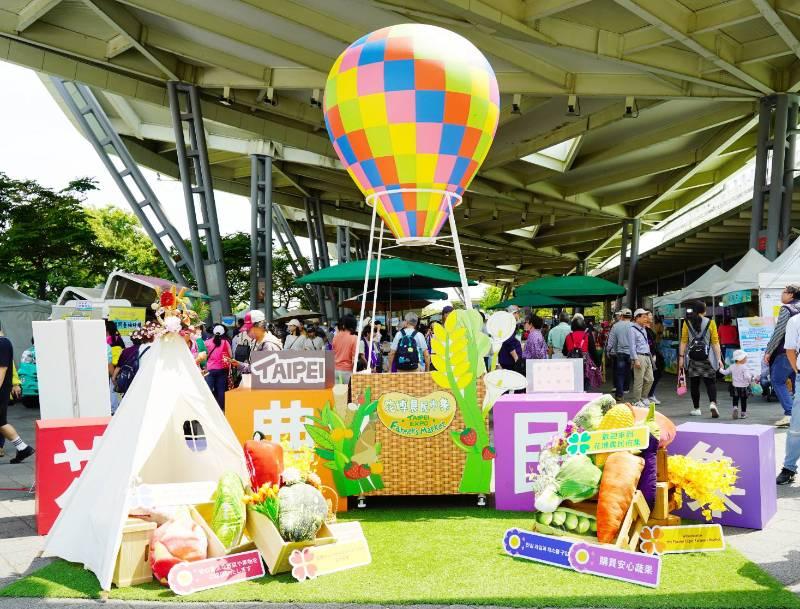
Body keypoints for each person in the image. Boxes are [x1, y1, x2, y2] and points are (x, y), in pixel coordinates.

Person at [679, 300, 723, 418]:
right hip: (708, 357)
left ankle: (696, 408)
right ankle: (713, 403)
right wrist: (719, 359)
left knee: (694, 383)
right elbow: (715, 342)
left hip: (693, 358)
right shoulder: (711, 322)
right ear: (704, 311)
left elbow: (683, 341)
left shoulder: (686, 323)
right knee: (710, 382)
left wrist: (681, 357)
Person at [764, 283, 800, 427]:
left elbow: (779, 332)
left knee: (777, 380)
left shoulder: (787, 309)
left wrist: (768, 351)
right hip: (798, 354)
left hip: (785, 352)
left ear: (791, 294)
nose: (781, 295)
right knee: (796, 383)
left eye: (784, 292)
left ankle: (790, 413)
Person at [0, 327, 34, 463]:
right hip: (3, 389)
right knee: (1, 422)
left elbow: (2, 370)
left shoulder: (2, 343)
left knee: (1, 422)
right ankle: (23, 448)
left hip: (1, 389)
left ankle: (23, 448)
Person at [777, 308, 800, 484]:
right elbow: (790, 350)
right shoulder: (795, 321)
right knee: (796, 427)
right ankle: (789, 467)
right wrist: (797, 371)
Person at [228, 310, 282, 375]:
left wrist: (241, 365)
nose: (246, 332)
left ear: (259, 326)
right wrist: (238, 364)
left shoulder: (268, 344)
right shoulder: (257, 341)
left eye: (249, 329)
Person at [606, 308, 634, 400]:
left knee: (619, 373)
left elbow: (612, 339)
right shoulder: (634, 326)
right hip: (631, 352)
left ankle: (619, 394)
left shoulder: (616, 326)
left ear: (622, 316)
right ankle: (626, 388)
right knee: (628, 371)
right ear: (631, 316)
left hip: (620, 352)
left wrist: (609, 350)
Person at [628, 309, 654, 407]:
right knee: (639, 380)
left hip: (647, 355)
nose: (645, 319)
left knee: (650, 379)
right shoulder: (632, 329)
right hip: (639, 356)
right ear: (637, 317)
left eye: (646, 316)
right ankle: (636, 400)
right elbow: (632, 346)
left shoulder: (643, 328)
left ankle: (644, 397)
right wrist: (635, 359)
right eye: (643, 317)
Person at [719, 349, 755, 420]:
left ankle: (735, 407)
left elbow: (725, 372)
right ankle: (743, 413)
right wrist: (751, 380)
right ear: (741, 359)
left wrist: (720, 369)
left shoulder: (732, 366)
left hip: (735, 386)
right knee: (743, 400)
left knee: (735, 398)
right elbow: (747, 377)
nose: (746, 359)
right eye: (745, 358)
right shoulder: (745, 367)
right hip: (744, 387)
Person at [205, 325, 232, 410]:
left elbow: (204, 356)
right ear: (223, 333)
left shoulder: (207, 342)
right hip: (222, 369)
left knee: (208, 390)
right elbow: (230, 355)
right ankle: (222, 409)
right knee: (221, 390)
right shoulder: (225, 342)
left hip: (210, 369)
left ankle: (208, 409)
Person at [332, 314, 360, 384]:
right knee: (348, 394)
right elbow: (354, 359)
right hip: (347, 372)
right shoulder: (354, 338)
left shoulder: (335, 337)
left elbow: (333, 353)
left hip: (335, 370)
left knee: (338, 394)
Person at [646, 312, 664, 405]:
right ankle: (646, 396)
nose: (651, 317)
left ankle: (650, 394)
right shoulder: (642, 329)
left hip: (653, 354)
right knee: (650, 376)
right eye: (649, 315)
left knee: (655, 375)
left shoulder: (649, 327)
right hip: (648, 355)